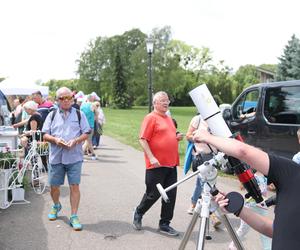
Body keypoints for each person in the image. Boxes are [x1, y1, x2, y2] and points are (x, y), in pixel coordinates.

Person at [193, 126, 300, 250]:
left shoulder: (292, 172)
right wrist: (239, 209)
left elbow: (243, 151)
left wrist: (208, 137)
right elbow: (275, 229)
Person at [132, 91, 183, 236]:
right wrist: (151, 157)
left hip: (171, 164)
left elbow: (167, 136)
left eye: (167, 100)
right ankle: (139, 212)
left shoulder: (168, 118)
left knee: (170, 195)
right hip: (156, 165)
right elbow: (143, 139)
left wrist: (176, 137)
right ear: (155, 103)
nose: (166, 103)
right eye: (162, 101)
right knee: (152, 194)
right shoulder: (150, 118)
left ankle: (165, 224)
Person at [42, 87, 90, 231]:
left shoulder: (79, 114)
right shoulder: (51, 115)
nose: (66, 100)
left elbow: (86, 132)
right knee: (54, 186)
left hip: (74, 156)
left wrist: (75, 141)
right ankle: (56, 205)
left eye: (68, 97)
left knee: (74, 186)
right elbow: (45, 134)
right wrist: (56, 140)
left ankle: (74, 216)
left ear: (72, 99)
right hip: (56, 157)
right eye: (62, 98)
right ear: (57, 100)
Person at [185, 114, 221, 228]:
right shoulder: (198, 119)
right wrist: (199, 137)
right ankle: (209, 213)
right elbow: (188, 135)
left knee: (210, 183)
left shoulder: (217, 121)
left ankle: (198, 204)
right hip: (200, 156)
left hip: (214, 156)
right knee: (203, 184)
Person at [228, 171, 272, 250]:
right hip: (250, 206)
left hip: (262, 206)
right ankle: (233, 245)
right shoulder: (252, 177)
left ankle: (267, 247)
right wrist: (243, 184)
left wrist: (269, 187)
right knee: (244, 228)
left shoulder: (265, 178)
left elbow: (264, 189)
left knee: (265, 231)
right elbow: (243, 186)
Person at [80, 94, 96, 159]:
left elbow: (80, 114)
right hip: (90, 125)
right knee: (88, 140)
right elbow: (96, 115)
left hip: (83, 124)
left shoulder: (82, 105)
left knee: (86, 140)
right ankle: (82, 154)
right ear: (92, 99)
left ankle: (93, 154)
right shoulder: (93, 105)